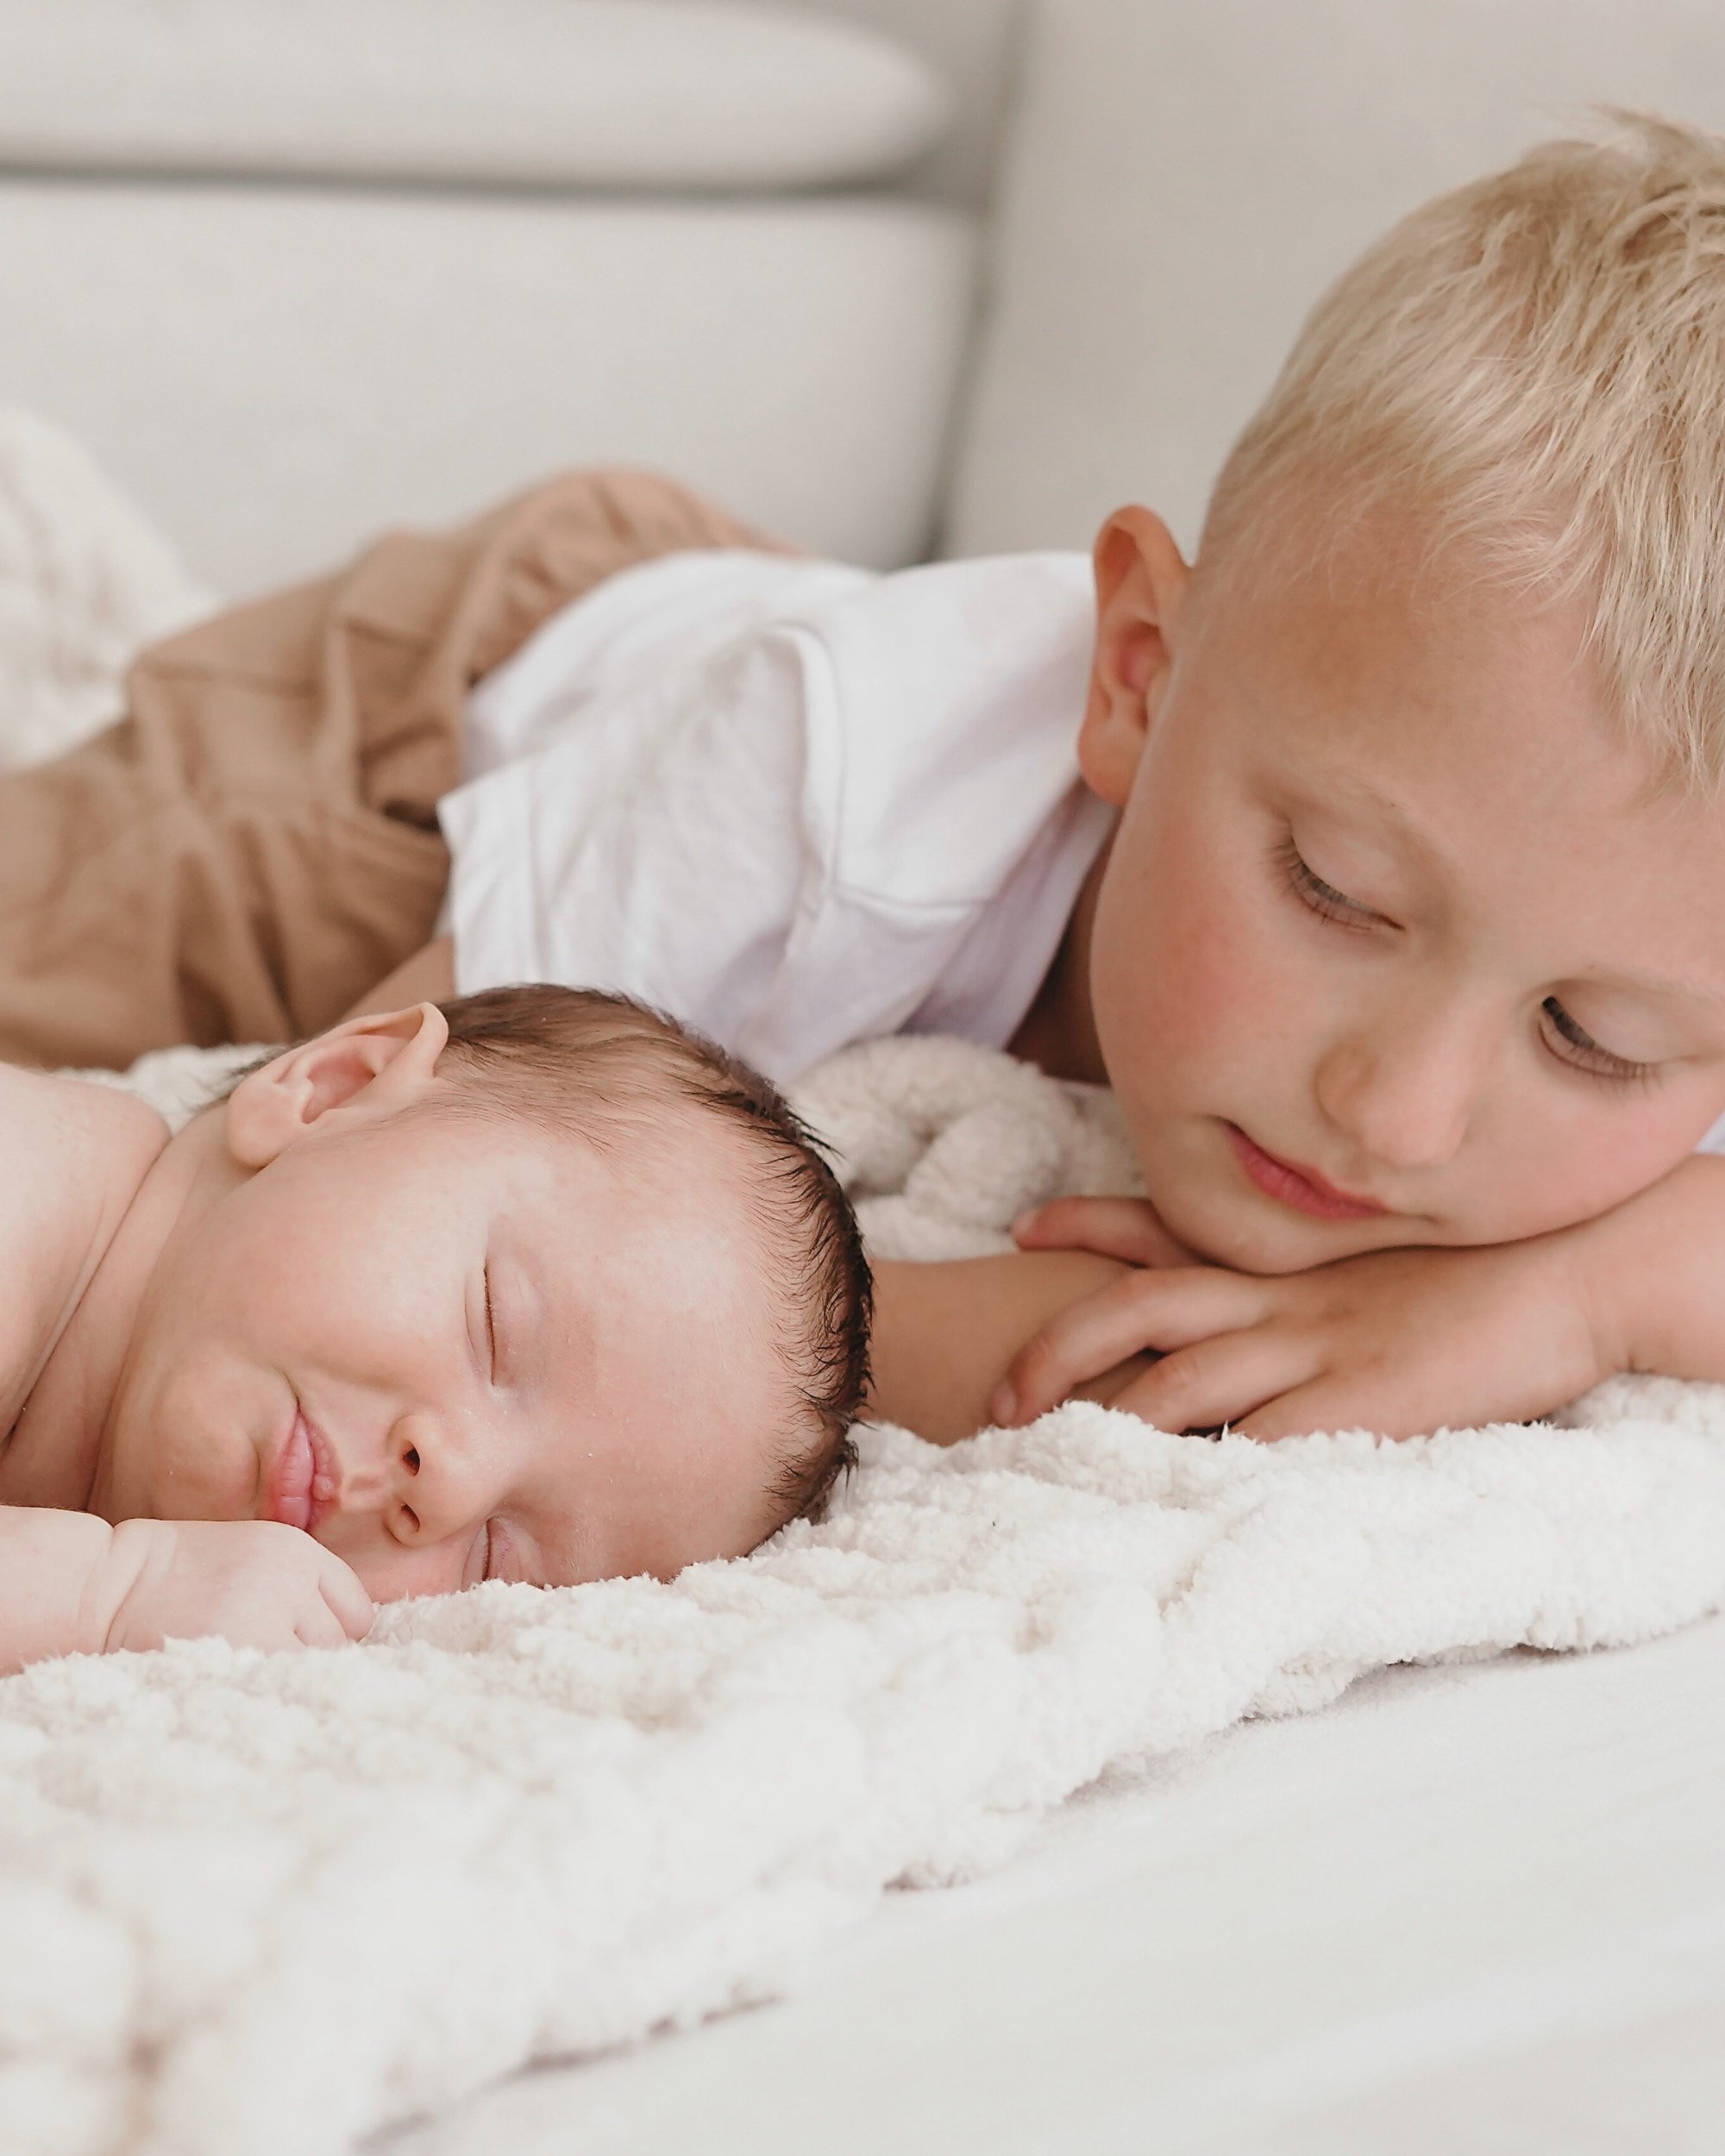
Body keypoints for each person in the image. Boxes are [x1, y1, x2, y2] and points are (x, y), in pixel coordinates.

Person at [7, 113, 1725, 1451]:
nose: (1397, 1111)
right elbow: (375, 1185)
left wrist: (1565, 1307)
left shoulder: (1642, 878)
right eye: (1338, 890)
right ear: (1140, 676)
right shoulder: (824, 797)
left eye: (1597, 1039)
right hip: (426, 734)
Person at [0, 985, 871, 1670]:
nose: (448, 1482)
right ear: (332, 1091)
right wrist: (101, 1597)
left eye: (499, 1558)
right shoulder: (31, 1184)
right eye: (495, 1328)